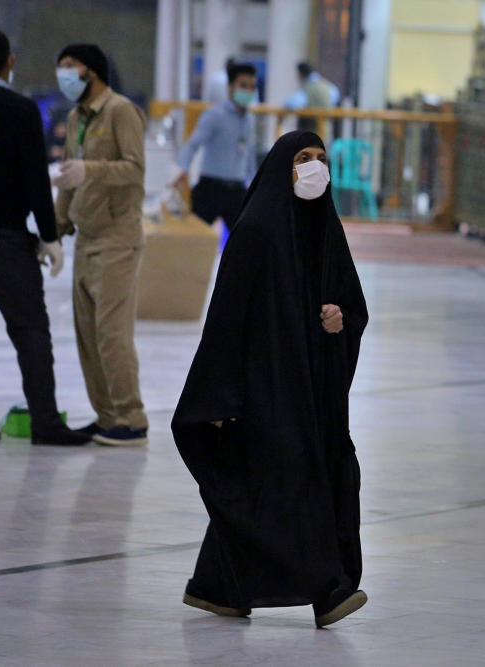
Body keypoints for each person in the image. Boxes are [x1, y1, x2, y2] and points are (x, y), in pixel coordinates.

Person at [172, 131, 368, 628]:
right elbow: (226, 318)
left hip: (310, 382)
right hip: (263, 385)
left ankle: (219, 587)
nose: (314, 169)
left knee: (269, 484)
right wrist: (221, 395)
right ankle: (329, 588)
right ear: (282, 166)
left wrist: (338, 318)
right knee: (293, 483)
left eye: (321, 159)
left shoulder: (324, 228)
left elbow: (352, 301)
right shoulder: (257, 230)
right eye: (303, 159)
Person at [0, 30, 88, 446]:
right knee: (30, 330)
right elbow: (35, 179)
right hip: (5, 240)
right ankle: (45, 423)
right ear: (10, 63)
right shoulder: (22, 110)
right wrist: (50, 238)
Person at [52, 44, 149, 446]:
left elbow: (134, 168)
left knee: (112, 335)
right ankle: (107, 416)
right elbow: (68, 180)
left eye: (69, 68)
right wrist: (54, 231)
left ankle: (133, 418)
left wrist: (88, 169)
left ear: (91, 71)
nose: (64, 76)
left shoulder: (121, 111)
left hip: (116, 239)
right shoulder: (77, 117)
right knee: (89, 337)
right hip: (85, 239)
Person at [173, 61, 258, 231]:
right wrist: (182, 169)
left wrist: (255, 182)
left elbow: (248, 153)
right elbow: (192, 145)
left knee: (245, 239)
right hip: (210, 188)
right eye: (243, 85)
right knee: (195, 238)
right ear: (230, 87)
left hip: (236, 189)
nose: (247, 91)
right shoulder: (214, 115)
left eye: (251, 86)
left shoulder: (249, 119)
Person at [285, 62, 339, 135]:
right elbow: (336, 98)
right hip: (325, 128)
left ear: (300, 73)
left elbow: (295, 103)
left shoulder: (308, 86)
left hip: (311, 128)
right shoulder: (327, 85)